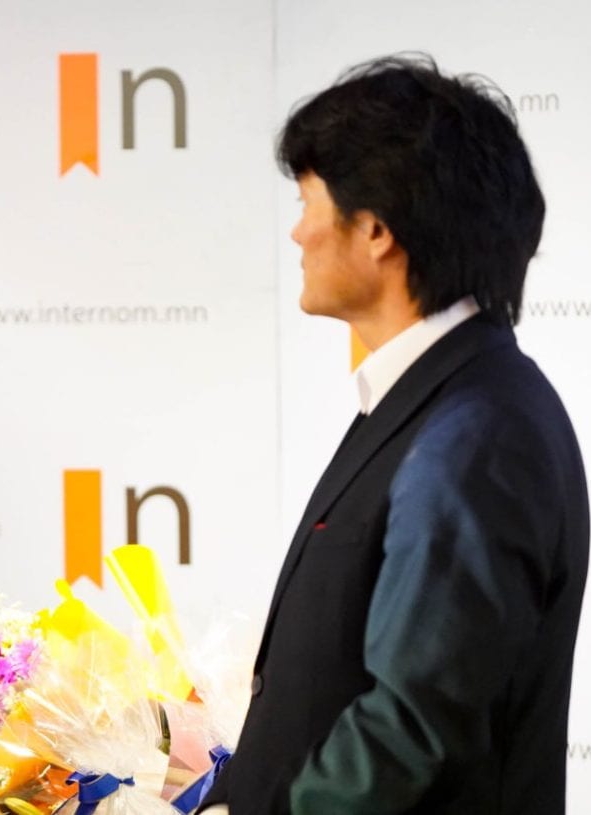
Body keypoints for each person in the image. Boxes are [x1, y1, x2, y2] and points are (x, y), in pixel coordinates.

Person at [199, 55, 589, 814]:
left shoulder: (480, 431)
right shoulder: (436, 402)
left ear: (376, 229)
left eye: (309, 202)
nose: (297, 232)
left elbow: (413, 730)